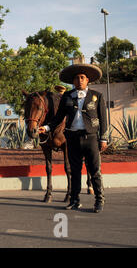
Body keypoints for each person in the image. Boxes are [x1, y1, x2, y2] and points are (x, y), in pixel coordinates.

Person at [39, 64, 107, 213]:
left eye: (82, 77)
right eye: (76, 78)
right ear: (73, 81)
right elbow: (58, 118)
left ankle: (99, 200)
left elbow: (103, 119)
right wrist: (47, 127)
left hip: (91, 138)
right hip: (72, 138)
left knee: (95, 171)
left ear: (87, 80)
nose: (79, 80)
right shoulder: (67, 96)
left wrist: (103, 138)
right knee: (75, 170)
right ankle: (75, 200)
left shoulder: (97, 96)